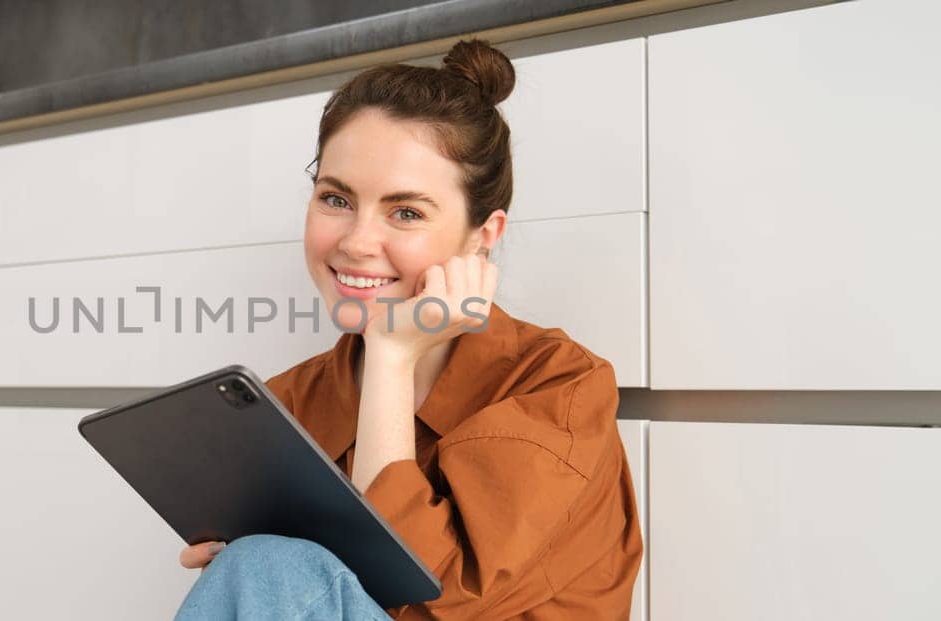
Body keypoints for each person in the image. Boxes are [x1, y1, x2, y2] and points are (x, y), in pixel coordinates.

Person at [174, 38, 643, 620]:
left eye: (406, 212)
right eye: (336, 198)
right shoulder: (290, 401)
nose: (355, 242)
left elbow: (423, 594)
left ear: (484, 235)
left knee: (267, 567)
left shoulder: (559, 387)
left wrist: (393, 358)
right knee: (260, 566)